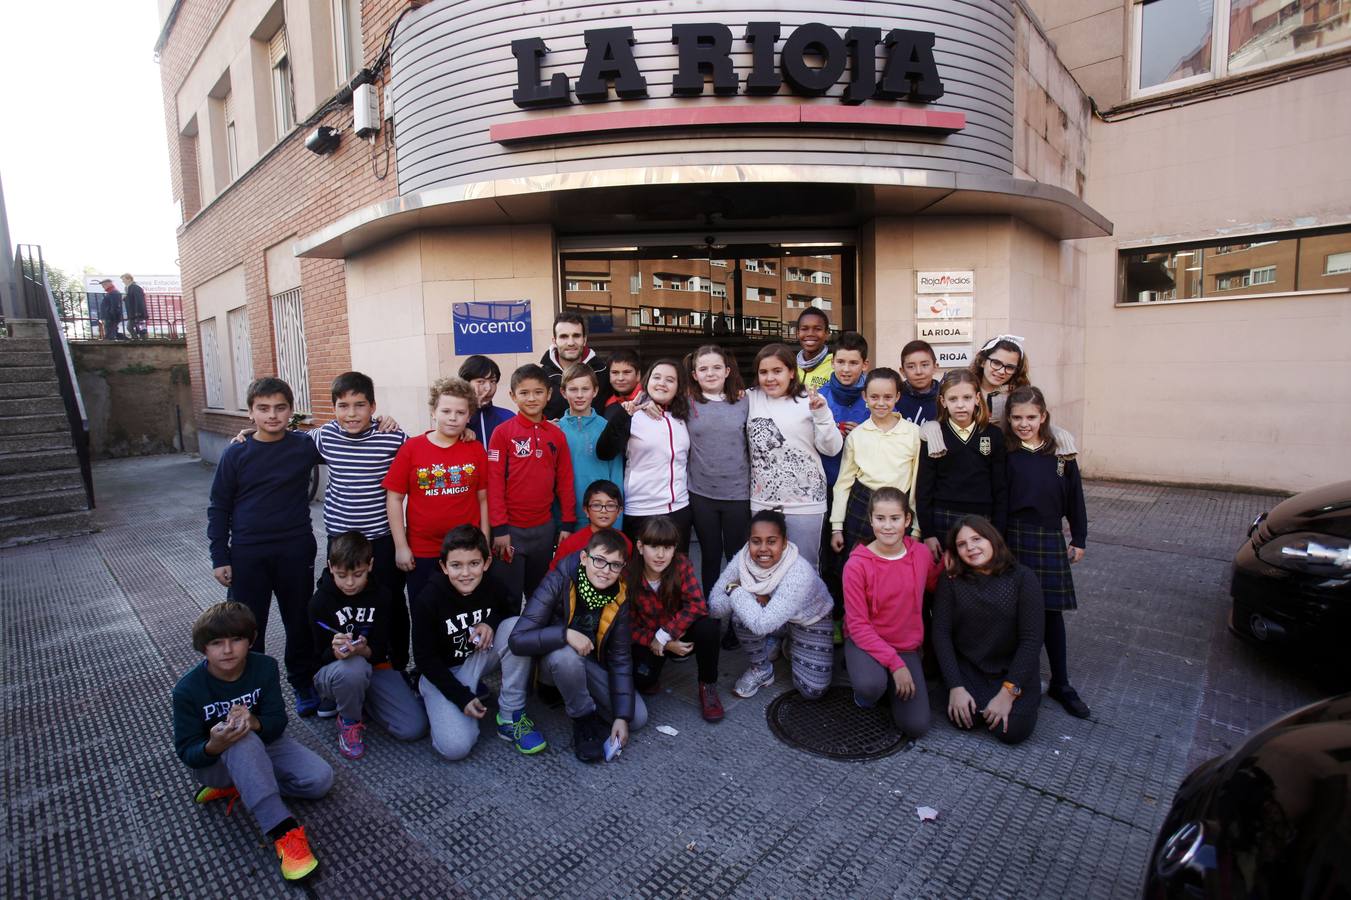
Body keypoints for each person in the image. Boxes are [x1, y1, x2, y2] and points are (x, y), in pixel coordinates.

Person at [172, 602, 332, 881]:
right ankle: (282, 831)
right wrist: (214, 744)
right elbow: (187, 752)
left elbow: (277, 722)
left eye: (237, 640)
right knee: (239, 739)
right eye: (216, 643)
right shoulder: (187, 690)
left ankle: (247, 784)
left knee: (320, 781)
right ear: (203, 648)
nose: (227, 650)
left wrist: (255, 721)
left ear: (251, 640)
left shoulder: (264, 667)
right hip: (216, 761)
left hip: (266, 743)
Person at [207, 377, 322, 714]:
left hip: (295, 549)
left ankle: (303, 681)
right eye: (263, 408)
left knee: (299, 620)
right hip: (247, 554)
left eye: (280, 408)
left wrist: (380, 422)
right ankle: (247, 691)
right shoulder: (236, 453)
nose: (272, 415)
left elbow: (348, 441)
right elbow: (219, 507)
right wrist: (219, 555)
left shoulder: (304, 446)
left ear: (291, 411)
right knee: (246, 625)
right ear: (250, 413)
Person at [411, 525, 548, 759]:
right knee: (455, 748)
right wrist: (461, 696)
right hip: (443, 671)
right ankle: (433, 697)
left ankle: (510, 715)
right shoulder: (429, 598)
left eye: (473, 564)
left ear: (486, 563)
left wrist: (491, 624)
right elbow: (424, 658)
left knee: (516, 627)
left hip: (478, 658)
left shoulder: (491, 584)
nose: (465, 573)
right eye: (456, 565)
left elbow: (511, 610)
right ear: (444, 566)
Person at [509, 530, 646, 762]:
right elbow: (518, 639)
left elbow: (620, 657)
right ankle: (583, 720)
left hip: (590, 662)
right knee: (566, 657)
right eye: (600, 561)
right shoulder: (560, 578)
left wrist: (621, 716)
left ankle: (579, 695)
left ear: (622, 568)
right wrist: (565, 634)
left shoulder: (619, 594)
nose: (605, 570)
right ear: (584, 558)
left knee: (636, 718)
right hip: (553, 662)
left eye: (614, 565)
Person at [308, 372, 411, 672]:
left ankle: (397, 664)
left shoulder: (392, 436)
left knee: (391, 600)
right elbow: (286, 444)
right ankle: (335, 662)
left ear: (373, 407)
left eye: (359, 405)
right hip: (340, 538)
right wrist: (249, 435)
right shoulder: (324, 436)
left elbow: (423, 451)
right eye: (343, 406)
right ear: (334, 408)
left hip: (380, 537)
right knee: (337, 599)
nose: (351, 413)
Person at [1003, 385, 1091, 719]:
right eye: (1016, 418)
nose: (1023, 424)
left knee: (1052, 613)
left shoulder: (1061, 454)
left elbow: (1075, 497)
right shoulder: (1007, 453)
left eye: (1030, 417)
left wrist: (1079, 537)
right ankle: (1018, 676)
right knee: (1015, 612)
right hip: (1013, 538)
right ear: (1008, 419)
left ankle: (1061, 682)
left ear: (1043, 417)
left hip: (1050, 538)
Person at [308, 532, 428, 759]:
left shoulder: (381, 595)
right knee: (353, 668)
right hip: (333, 672)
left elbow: (381, 647)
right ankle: (349, 721)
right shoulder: (320, 601)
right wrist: (334, 652)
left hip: (373, 666)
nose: (350, 583)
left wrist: (364, 649)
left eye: (358, 574)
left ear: (370, 565)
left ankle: (361, 701)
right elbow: (315, 657)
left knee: (413, 727)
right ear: (330, 567)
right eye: (342, 575)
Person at [931, 516, 1044, 744]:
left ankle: (1026, 693)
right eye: (962, 544)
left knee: (1011, 731)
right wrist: (956, 686)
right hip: (971, 668)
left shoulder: (1023, 578)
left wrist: (1007, 694)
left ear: (992, 539)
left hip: (1011, 670)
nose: (971, 547)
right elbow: (941, 634)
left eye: (977, 539)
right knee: (965, 719)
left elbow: (1032, 640)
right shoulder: (951, 579)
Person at [383, 377, 489, 609]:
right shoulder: (412, 449)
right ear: (433, 412)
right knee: (425, 612)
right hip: (423, 550)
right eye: (446, 410)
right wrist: (401, 546)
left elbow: (483, 499)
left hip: (466, 549)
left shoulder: (475, 448)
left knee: (464, 612)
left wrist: (485, 542)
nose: (453, 417)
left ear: (469, 416)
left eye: (460, 412)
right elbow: (394, 497)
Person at [842, 487, 939, 737]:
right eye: (880, 519)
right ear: (871, 519)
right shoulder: (856, 565)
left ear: (907, 520)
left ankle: (890, 684)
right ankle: (870, 688)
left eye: (895, 518)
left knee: (916, 726)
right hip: (866, 641)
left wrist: (951, 566)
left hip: (905, 646)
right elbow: (858, 626)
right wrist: (895, 665)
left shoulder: (920, 554)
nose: (887, 526)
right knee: (870, 686)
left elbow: (932, 584)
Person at [709, 509, 835, 699]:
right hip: (771, 616)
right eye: (756, 541)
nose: (763, 549)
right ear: (748, 541)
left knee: (812, 690)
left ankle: (788, 641)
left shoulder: (799, 571)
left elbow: (762, 624)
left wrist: (735, 590)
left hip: (809, 619)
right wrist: (739, 592)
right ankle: (761, 669)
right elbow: (715, 608)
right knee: (741, 612)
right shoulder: (742, 560)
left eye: (772, 541)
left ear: (784, 543)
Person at [487, 364, 577, 607]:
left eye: (538, 392)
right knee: (509, 596)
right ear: (513, 396)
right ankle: (506, 642)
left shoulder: (556, 435)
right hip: (511, 532)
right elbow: (493, 482)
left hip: (544, 530)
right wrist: (499, 529)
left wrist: (567, 523)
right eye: (524, 393)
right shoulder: (502, 433)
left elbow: (565, 481)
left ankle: (535, 641)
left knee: (539, 595)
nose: (532, 398)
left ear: (549, 394)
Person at [746, 343, 842, 569]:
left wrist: (822, 414)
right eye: (763, 372)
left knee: (805, 567)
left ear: (791, 372)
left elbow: (832, 448)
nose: (770, 378)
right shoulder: (750, 399)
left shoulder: (809, 400)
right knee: (766, 566)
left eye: (777, 371)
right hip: (763, 501)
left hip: (806, 502)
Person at [627, 516, 724, 722]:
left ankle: (707, 686)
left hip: (676, 629)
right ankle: (661, 663)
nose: (661, 555)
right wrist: (664, 643)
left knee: (708, 627)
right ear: (640, 546)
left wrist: (665, 635)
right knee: (643, 681)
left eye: (668, 547)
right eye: (653, 547)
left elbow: (697, 605)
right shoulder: (629, 575)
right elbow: (627, 627)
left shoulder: (681, 564)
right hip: (649, 637)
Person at [597, 358, 693, 553]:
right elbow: (604, 451)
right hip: (642, 509)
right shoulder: (631, 415)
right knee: (639, 574)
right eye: (657, 377)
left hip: (679, 508)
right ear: (647, 382)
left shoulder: (684, 416)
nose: (662, 383)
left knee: (677, 573)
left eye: (670, 380)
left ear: (678, 386)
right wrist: (626, 415)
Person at [829, 368, 922, 556]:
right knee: (860, 564)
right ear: (864, 396)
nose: (881, 403)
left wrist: (917, 528)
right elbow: (843, 483)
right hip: (862, 506)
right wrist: (837, 527)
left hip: (900, 508)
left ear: (897, 397)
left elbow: (917, 484)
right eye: (874, 397)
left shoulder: (913, 433)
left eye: (888, 397)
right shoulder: (856, 436)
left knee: (896, 567)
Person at [916, 370, 1008, 555]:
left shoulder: (993, 435)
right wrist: (928, 533)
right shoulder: (935, 435)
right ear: (943, 401)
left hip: (982, 519)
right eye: (953, 399)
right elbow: (924, 488)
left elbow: (1001, 488)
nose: (960, 405)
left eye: (966, 398)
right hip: (943, 516)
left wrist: (997, 531)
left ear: (977, 398)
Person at [817, 331, 871, 638]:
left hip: (862, 491)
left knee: (860, 559)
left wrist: (863, 431)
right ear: (832, 362)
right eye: (840, 361)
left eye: (853, 362)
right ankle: (836, 617)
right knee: (832, 559)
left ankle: (859, 619)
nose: (846, 369)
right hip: (825, 489)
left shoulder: (873, 398)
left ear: (865, 364)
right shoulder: (820, 397)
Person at [684, 344, 750, 593]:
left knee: (736, 557)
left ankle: (736, 613)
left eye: (716, 368)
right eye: (703, 369)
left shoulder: (745, 401)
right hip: (701, 495)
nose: (710, 373)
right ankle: (712, 609)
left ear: (727, 371)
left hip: (738, 494)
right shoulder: (685, 403)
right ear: (694, 375)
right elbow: (653, 396)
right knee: (710, 555)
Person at [556, 363, 624, 527]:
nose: (579, 395)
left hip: (602, 519)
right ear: (563, 392)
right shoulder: (556, 430)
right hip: (565, 521)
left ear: (595, 391)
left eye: (585, 389)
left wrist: (616, 524)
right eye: (573, 389)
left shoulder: (607, 428)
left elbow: (616, 478)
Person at [550, 479, 633, 569]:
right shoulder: (570, 544)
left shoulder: (625, 542)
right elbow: (554, 576)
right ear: (586, 510)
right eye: (596, 505)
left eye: (610, 505)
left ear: (619, 511)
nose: (603, 510)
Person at [540, 310, 609, 419]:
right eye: (564, 336)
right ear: (554, 341)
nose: (571, 343)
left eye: (576, 336)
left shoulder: (602, 372)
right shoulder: (542, 376)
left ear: (584, 340)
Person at [970, 335, 1030, 426]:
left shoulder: (1019, 396)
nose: (1001, 371)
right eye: (996, 363)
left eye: (1010, 367)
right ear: (982, 361)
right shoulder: (965, 392)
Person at [459, 355, 514, 449]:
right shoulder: (455, 419)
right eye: (481, 381)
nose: (488, 388)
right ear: (465, 383)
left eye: (493, 381)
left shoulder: (508, 418)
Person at [897, 339, 941, 426]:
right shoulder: (896, 397)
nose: (918, 372)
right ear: (902, 371)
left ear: (935, 367)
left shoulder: (944, 396)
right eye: (911, 367)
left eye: (925, 365)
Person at [794, 308, 833, 391]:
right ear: (797, 333)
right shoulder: (790, 366)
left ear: (827, 333)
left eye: (818, 329)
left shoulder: (836, 367)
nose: (810, 333)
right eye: (804, 329)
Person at [121, 273, 148, 339]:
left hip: (138, 313)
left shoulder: (135, 288)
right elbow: (132, 300)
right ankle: (138, 340)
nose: (123, 281)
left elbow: (139, 300)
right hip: (134, 313)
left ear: (129, 279)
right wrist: (125, 298)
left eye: (123, 280)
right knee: (136, 328)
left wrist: (138, 312)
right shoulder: (129, 288)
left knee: (140, 329)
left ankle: (141, 341)